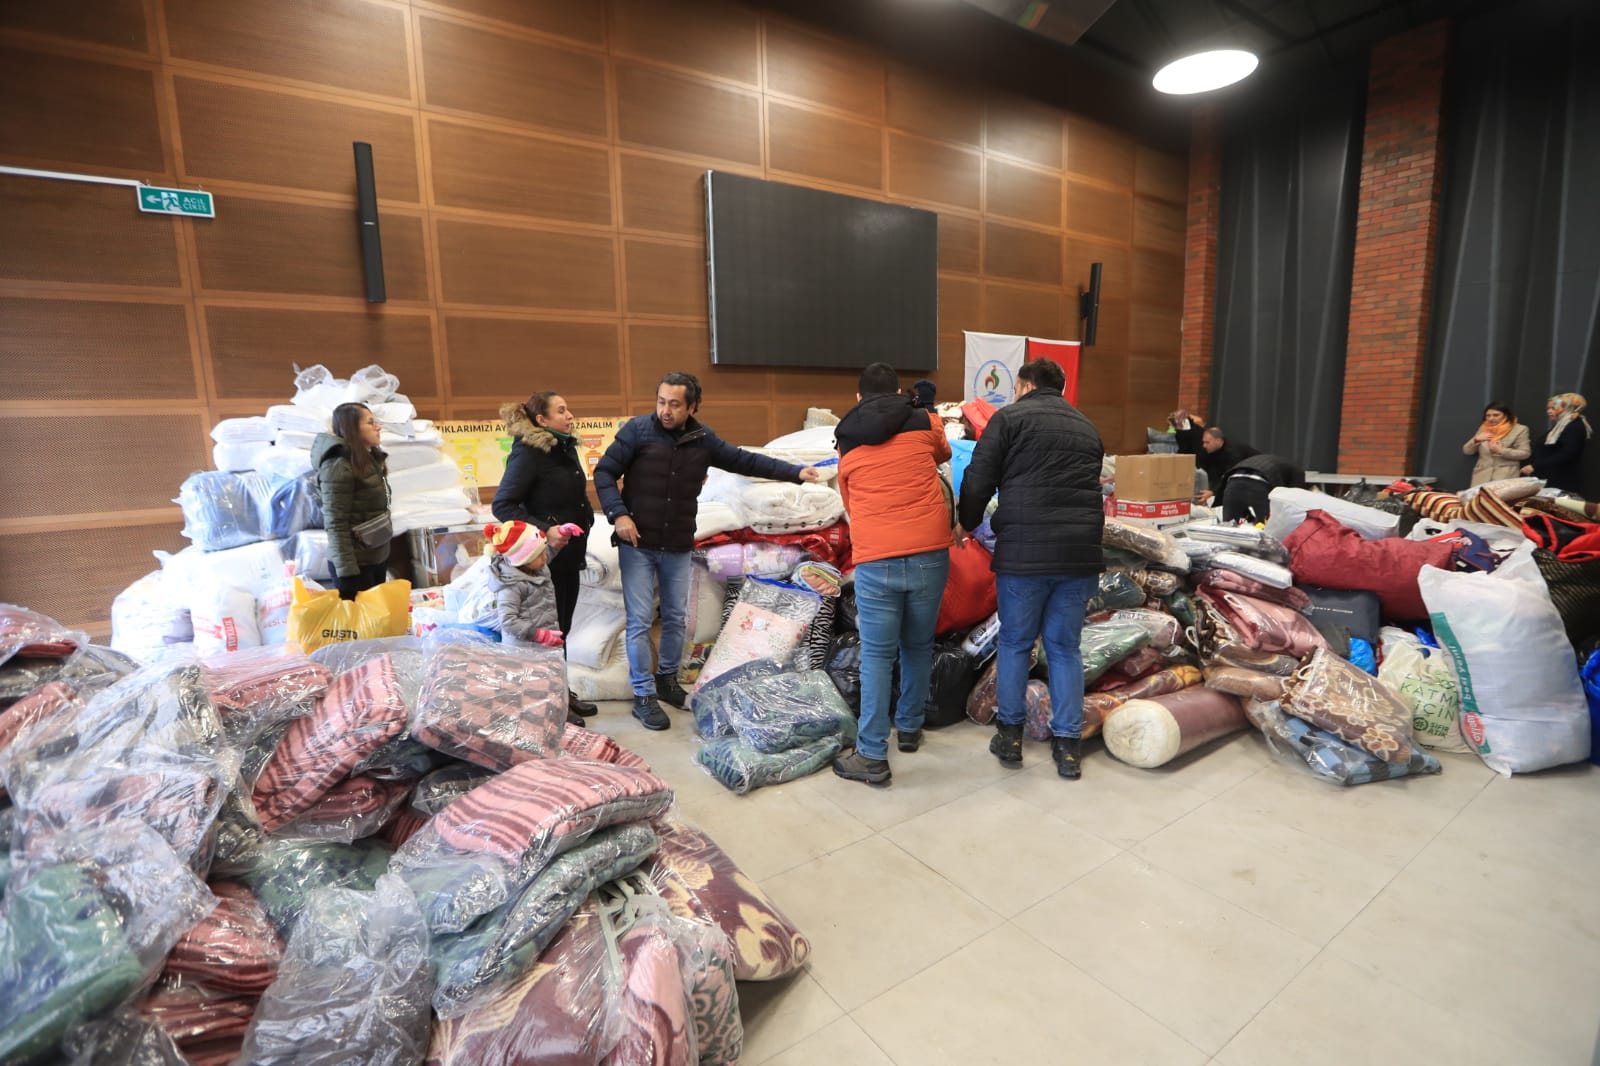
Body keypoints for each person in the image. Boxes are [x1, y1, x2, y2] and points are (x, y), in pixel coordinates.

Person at [594, 371, 823, 731]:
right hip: (637, 543)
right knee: (639, 621)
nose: (665, 410)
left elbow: (746, 461)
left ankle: (667, 680)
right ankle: (643, 695)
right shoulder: (637, 431)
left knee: (675, 618)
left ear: (692, 407)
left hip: (677, 543)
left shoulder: (703, 440)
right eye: (661, 402)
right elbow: (604, 472)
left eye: (674, 404)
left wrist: (796, 473)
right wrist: (618, 514)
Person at [957, 359, 1104, 779]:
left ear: (1023, 385)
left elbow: (979, 477)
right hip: (1079, 555)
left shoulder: (1009, 419)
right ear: (1060, 388)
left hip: (1024, 554)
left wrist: (966, 522)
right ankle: (1068, 747)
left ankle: (1010, 738)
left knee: (1016, 643)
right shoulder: (1087, 427)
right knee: (1065, 648)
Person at [830, 362, 953, 786]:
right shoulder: (921, 421)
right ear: (900, 393)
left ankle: (871, 754)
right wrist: (927, 409)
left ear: (858, 398)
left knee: (877, 657)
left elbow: (849, 500)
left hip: (877, 556)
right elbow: (944, 452)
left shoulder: (847, 438)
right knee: (918, 644)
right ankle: (911, 727)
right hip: (929, 551)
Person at [493, 392, 598, 718]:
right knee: (548, 634)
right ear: (542, 420)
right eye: (561, 411)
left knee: (562, 628)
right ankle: (550, 702)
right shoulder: (529, 452)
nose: (570, 415)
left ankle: (560, 692)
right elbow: (503, 504)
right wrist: (545, 529)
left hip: (569, 554)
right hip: (543, 560)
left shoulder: (564, 448)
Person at [313, 402, 392, 600]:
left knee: (379, 617)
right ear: (352, 428)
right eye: (370, 423)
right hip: (355, 566)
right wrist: (347, 574)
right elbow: (335, 523)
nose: (378, 427)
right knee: (361, 620)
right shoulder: (338, 465)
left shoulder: (368, 458)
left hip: (374, 557)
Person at [1168, 409, 1258, 503]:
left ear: (1218, 441)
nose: (1204, 445)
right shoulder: (1207, 445)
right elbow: (1192, 434)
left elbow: (1228, 475)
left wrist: (1213, 492)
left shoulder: (1232, 452)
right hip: (1223, 468)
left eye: (1207, 443)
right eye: (1203, 442)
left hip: (1251, 470)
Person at [1521, 393, 1591, 494]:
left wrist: (1535, 466)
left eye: (1553, 408)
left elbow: (1567, 454)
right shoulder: (1562, 424)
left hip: (1560, 480)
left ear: (1567, 407)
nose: (1549, 411)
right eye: (1548, 408)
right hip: (1550, 477)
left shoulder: (1574, 426)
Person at [1215, 453, 1307, 524]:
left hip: (1232, 482)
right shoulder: (1298, 471)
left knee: (1228, 528)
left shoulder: (1276, 463)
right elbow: (1294, 501)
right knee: (1267, 529)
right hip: (1259, 483)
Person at [1462, 401, 1530, 487]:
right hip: (1481, 477)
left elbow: (1525, 453)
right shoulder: (1484, 428)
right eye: (1488, 415)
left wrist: (1501, 450)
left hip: (1505, 477)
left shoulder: (1519, 429)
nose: (1491, 418)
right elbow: (1467, 451)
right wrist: (1476, 440)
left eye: (1496, 415)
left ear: (1506, 415)